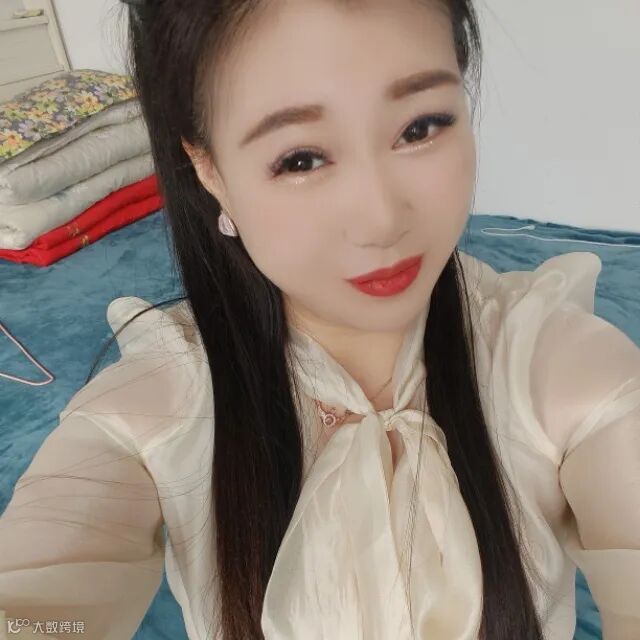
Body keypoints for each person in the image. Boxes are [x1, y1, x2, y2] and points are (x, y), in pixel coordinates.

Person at [1, 0, 639, 638]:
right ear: (209, 171)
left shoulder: (555, 361)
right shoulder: (157, 401)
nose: (381, 220)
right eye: (300, 159)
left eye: (420, 127)